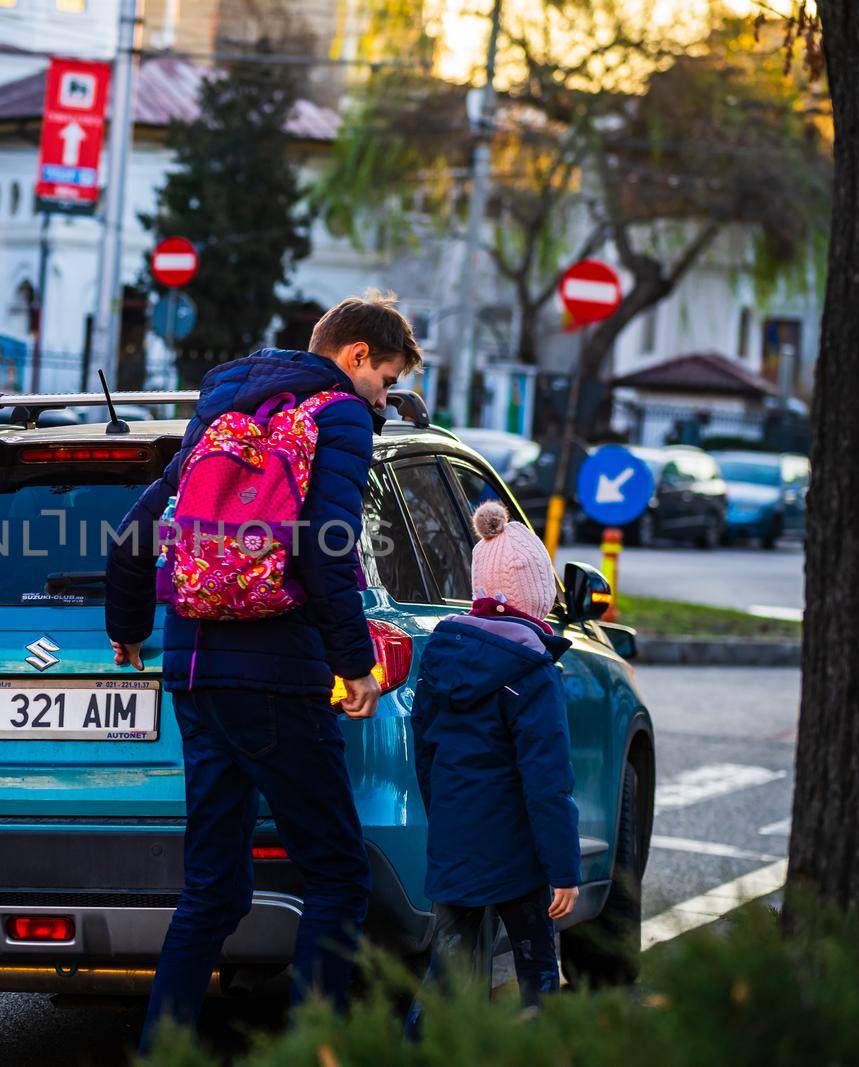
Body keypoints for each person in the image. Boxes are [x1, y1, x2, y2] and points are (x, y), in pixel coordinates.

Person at [104, 291, 423, 1049]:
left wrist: (129, 628)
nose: (381, 399)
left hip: (193, 671)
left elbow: (133, 534)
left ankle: (163, 1052)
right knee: (339, 875)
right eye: (384, 380)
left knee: (213, 887)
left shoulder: (223, 407)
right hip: (276, 674)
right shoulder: (337, 414)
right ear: (354, 357)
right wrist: (359, 666)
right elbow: (327, 550)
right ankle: (309, 1049)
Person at [408, 500, 579, 1019]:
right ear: (537, 596)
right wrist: (564, 869)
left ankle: (416, 1048)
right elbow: (547, 781)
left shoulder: (441, 654)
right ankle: (542, 1046)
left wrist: (447, 821)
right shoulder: (531, 670)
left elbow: (426, 751)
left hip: (456, 839)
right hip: (517, 853)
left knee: (447, 968)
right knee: (535, 965)